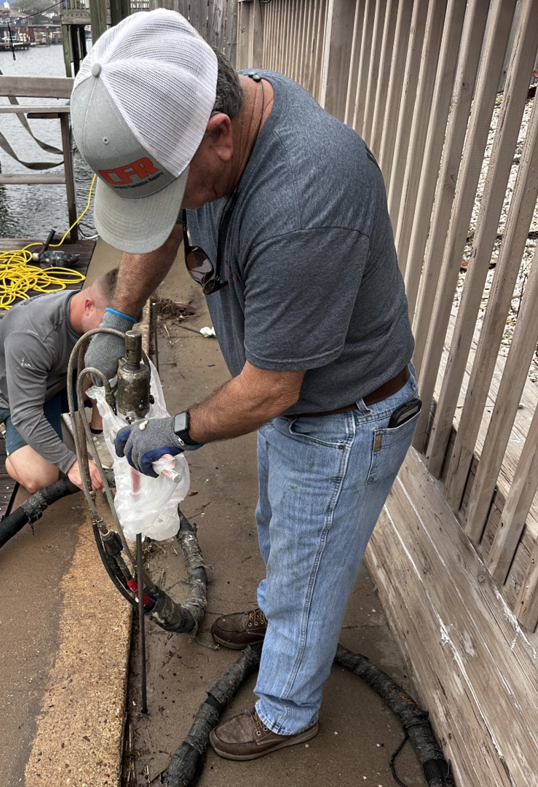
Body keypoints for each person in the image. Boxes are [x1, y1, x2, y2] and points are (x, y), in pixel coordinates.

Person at [70, 10, 419, 762]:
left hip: (345, 415)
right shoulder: (226, 110)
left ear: (219, 134)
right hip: (300, 404)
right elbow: (166, 225)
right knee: (279, 526)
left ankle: (288, 709)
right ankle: (277, 611)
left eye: (170, 190)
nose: (172, 211)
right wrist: (118, 316)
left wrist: (178, 430)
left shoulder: (306, 200)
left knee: (312, 561)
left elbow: (271, 390)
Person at [0, 270, 119, 494]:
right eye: (106, 324)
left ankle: (97, 431)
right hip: (26, 402)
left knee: (113, 356)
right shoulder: (30, 336)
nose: (111, 332)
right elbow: (26, 412)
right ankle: (14, 443)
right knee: (41, 479)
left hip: (61, 382)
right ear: (88, 306)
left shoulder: (88, 308)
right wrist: (71, 463)